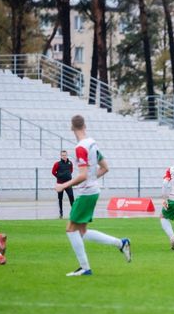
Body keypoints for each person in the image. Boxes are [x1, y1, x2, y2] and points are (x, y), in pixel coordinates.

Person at [55, 115, 131, 277]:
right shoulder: (92, 143)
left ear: (72, 128)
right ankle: (121, 243)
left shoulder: (80, 147)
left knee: (70, 229)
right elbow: (105, 168)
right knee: (82, 231)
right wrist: (91, 179)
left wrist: (63, 185)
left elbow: (82, 175)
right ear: (85, 126)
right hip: (93, 190)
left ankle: (85, 268)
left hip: (86, 192)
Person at [52, 150, 75, 218]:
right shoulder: (57, 164)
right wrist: (59, 176)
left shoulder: (70, 163)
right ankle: (61, 212)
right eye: (63, 155)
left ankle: (73, 212)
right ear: (61, 156)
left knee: (71, 196)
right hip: (60, 184)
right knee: (60, 198)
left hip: (68, 183)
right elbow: (53, 172)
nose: (64, 156)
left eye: (65, 155)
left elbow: (71, 170)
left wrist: (67, 176)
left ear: (67, 155)